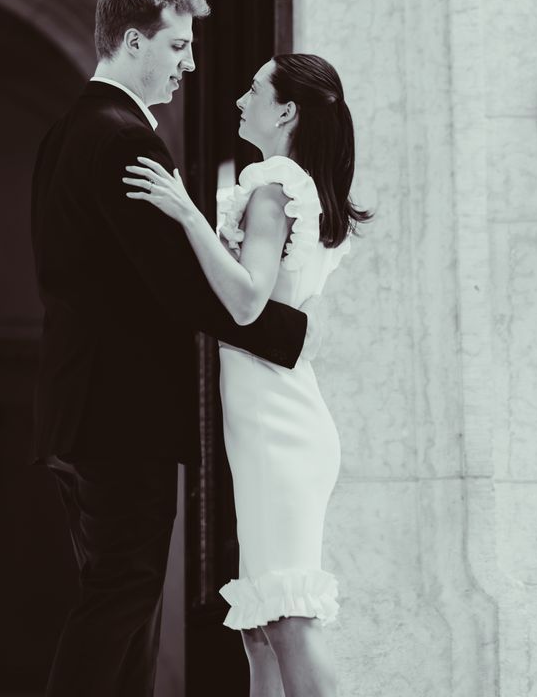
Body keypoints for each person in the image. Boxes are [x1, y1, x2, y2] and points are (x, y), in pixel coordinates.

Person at [29, 0, 318, 697]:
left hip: (80, 408)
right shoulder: (125, 140)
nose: (191, 64)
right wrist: (291, 336)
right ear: (134, 42)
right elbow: (178, 283)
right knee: (122, 597)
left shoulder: (63, 133)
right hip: (121, 416)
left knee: (121, 600)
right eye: (179, 45)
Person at [125, 52, 370, 697]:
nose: (239, 99)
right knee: (259, 625)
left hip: (278, 423)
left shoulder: (274, 184)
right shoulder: (297, 185)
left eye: (254, 89)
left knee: (286, 615)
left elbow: (246, 301)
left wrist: (185, 213)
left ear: (285, 110)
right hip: (274, 415)